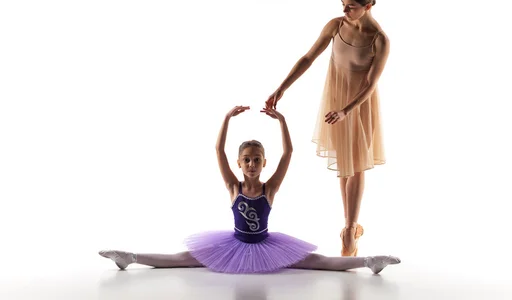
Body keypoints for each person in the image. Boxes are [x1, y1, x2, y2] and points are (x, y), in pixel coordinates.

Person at [99, 106, 399, 274]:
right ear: (239, 163)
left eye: (257, 160)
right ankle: (131, 256)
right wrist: (227, 119)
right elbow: (217, 149)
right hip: (233, 244)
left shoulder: (270, 188)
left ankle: (369, 262)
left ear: (263, 162)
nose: (252, 164)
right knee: (182, 258)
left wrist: (282, 120)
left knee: (317, 263)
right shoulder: (234, 186)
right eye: (247, 160)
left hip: (267, 243)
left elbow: (289, 153)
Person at [265, 0, 390, 256]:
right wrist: (281, 88)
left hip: (359, 104)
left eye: (352, 7)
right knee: (344, 162)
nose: (345, 11)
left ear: (368, 6)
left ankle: (348, 231)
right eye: (343, 5)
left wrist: (348, 110)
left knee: (356, 165)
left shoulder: (379, 40)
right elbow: (308, 57)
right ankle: (351, 227)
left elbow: (370, 84)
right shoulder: (335, 25)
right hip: (335, 100)